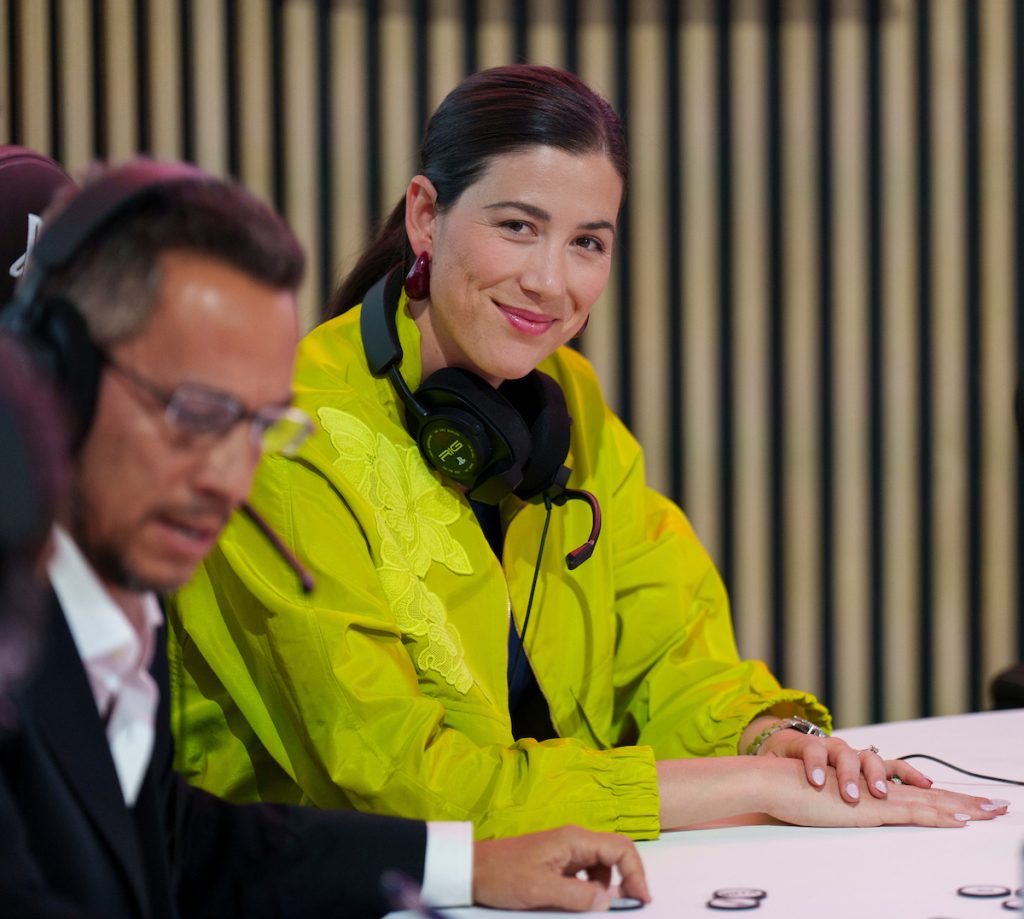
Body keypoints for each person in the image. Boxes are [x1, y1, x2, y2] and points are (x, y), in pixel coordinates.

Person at [169, 65, 1007, 839]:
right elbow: (405, 785)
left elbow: (671, 654)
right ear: (426, 215)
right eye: (518, 226)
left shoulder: (564, 400)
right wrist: (756, 786)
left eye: (588, 243)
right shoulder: (281, 439)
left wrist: (775, 740)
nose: (551, 282)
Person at [0, 152, 650, 917]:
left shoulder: (112, 617)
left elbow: (178, 841)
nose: (228, 480)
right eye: (197, 413)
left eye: (259, 425)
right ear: (53, 387)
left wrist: (464, 866)